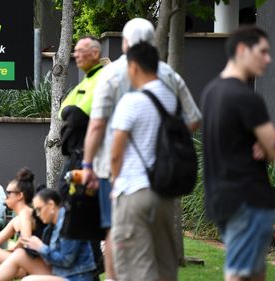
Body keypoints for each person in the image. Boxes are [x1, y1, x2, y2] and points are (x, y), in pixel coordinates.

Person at [81, 20, 201, 281]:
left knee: (115, 234)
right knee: (163, 257)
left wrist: (88, 165)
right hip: (162, 181)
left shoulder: (112, 75)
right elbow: (193, 119)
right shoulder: (169, 75)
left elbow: (98, 125)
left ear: (125, 43)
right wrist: (165, 143)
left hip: (120, 177)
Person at [200, 26, 275, 281]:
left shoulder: (211, 92)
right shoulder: (246, 98)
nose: (268, 59)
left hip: (222, 199)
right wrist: (266, 144)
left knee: (253, 273)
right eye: (263, 52)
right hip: (248, 199)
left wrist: (262, 144)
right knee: (239, 274)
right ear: (242, 50)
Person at [109, 42, 179, 281]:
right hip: (165, 193)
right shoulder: (171, 99)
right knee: (164, 266)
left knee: (135, 268)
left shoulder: (131, 102)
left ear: (134, 66)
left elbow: (116, 152)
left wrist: (114, 181)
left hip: (134, 189)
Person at [57, 35, 109, 279]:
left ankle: (89, 268)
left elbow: (80, 114)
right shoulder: (85, 81)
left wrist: (74, 111)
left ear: (95, 54)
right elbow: (64, 110)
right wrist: (73, 111)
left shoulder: (103, 78)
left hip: (91, 159)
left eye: (80, 51)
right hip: (75, 156)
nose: (75, 55)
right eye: (74, 50)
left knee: (82, 212)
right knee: (68, 206)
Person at [0, 188, 96, 281]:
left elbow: (66, 261)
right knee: (19, 254)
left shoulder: (69, 224)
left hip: (77, 277)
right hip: (61, 272)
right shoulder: (52, 225)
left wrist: (40, 247)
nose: (37, 214)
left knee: (29, 280)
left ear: (51, 205)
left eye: (39, 209)